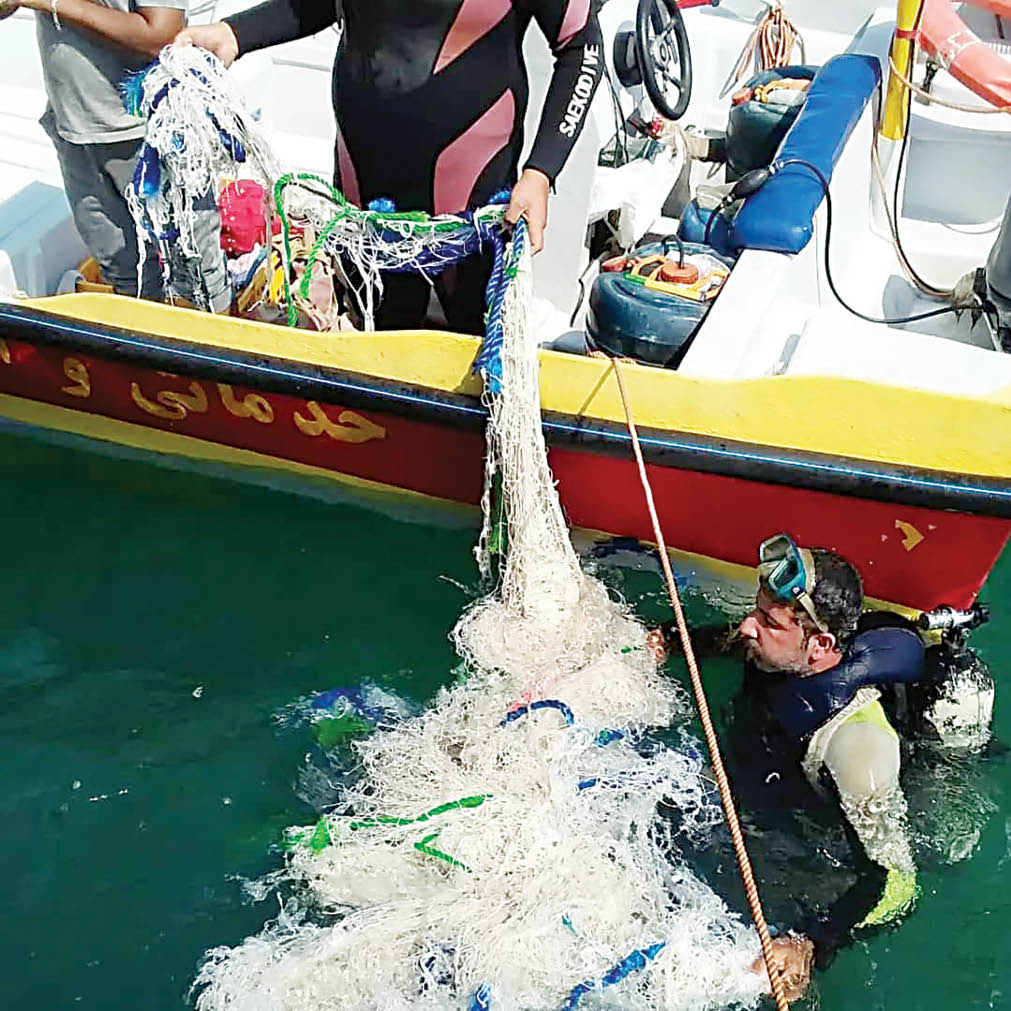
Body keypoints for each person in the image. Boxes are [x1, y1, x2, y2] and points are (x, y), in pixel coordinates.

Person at [176, 0, 603, 332]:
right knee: (372, 322)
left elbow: (581, 46)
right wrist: (234, 33)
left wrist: (541, 171)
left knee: (469, 334)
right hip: (364, 175)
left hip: (470, 189)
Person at [651, 533, 931, 998]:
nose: (746, 627)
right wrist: (667, 640)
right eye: (755, 611)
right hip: (754, 784)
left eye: (767, 621)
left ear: (820, 644)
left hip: (807, 838)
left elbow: (898, 883)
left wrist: (810, 944)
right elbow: (726, 639)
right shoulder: (779, 652)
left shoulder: (858, 747)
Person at [2, 0, 229, 309]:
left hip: (150, 136)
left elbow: (161, 34)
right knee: (124, 274)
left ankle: (212, 351)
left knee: (196, 270)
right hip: (73, 131)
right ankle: (142, 351)